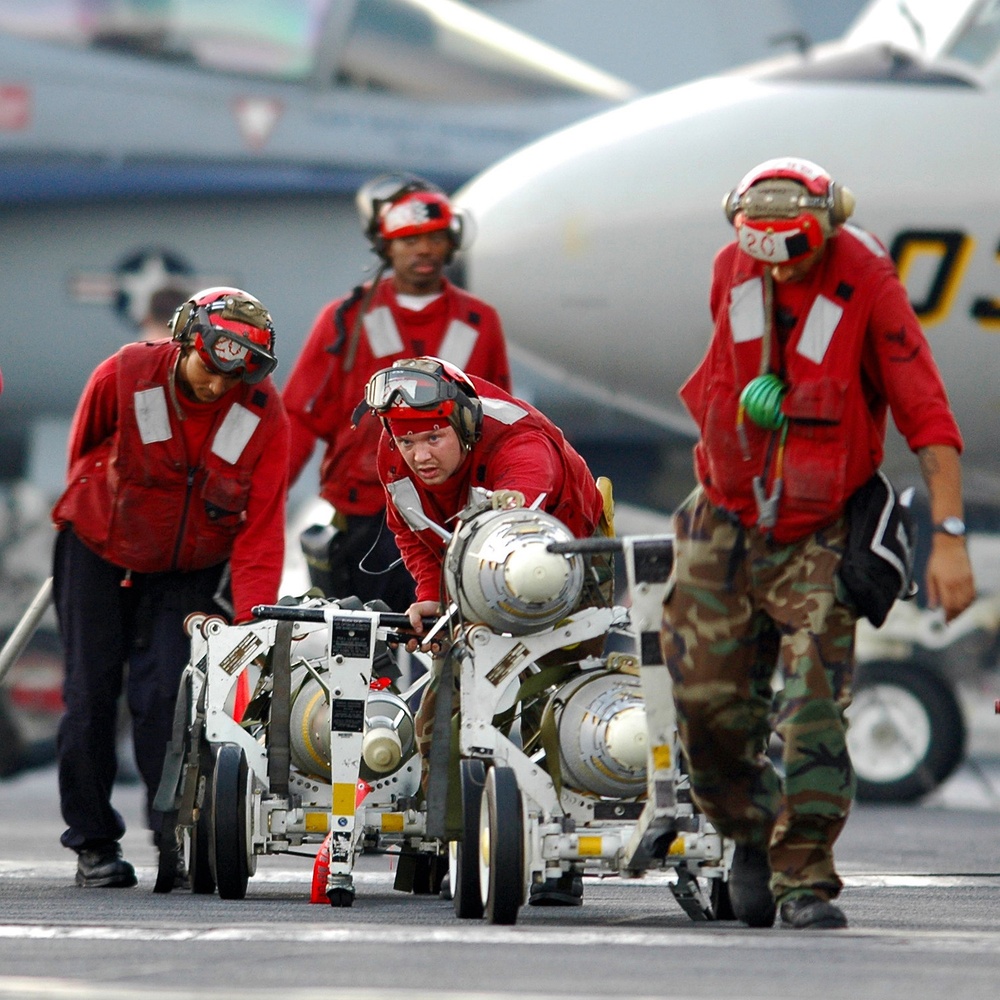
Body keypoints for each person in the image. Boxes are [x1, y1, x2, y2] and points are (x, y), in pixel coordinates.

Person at [660, 157, 976, 930]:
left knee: (812, 712)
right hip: (725, 517)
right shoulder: (730, 269)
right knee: (705, 705)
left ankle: (804, 877)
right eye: (764, 256)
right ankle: (749, 832)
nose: (779, 270)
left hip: (821, 529)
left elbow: (926, 415)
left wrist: (950, 536)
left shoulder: (867, 281)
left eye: (795, 254)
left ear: (828, 229)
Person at [51, 286, 290, 888]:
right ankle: (94, 844)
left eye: (233, 379)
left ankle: (174, 837)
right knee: (88, 696)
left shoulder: (261, 413)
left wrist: (253, 621)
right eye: (209, 368)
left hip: (187, 572)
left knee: (171, 702)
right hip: (98, 551)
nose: (217, 387)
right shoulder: (124, 374)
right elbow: (83, 450)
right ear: (186, 343)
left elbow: (260, 530)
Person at [358, 356, 608, 906]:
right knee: (445, 711)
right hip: (466, 571)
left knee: (559, 709)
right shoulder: (395, 448)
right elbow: (411, 529)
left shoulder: (523, 446)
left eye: (433, 438)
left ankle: (560, 855)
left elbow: (516, 534)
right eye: (407, 443)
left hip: (559, 564)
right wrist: (428, 592)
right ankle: (455, 846)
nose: (419, 456)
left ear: (466, 424)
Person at [282, 174, 510, 610]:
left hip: (454, 516)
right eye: (409, 240)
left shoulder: (481, 323)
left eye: (434, 238)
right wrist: (268, 505)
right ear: (386, 247)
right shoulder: (345, 321)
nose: (423, 250)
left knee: (457, 648)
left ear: (451, 243)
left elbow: (500, 417)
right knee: (362, 651)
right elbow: (299, 416)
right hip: (364, 514)